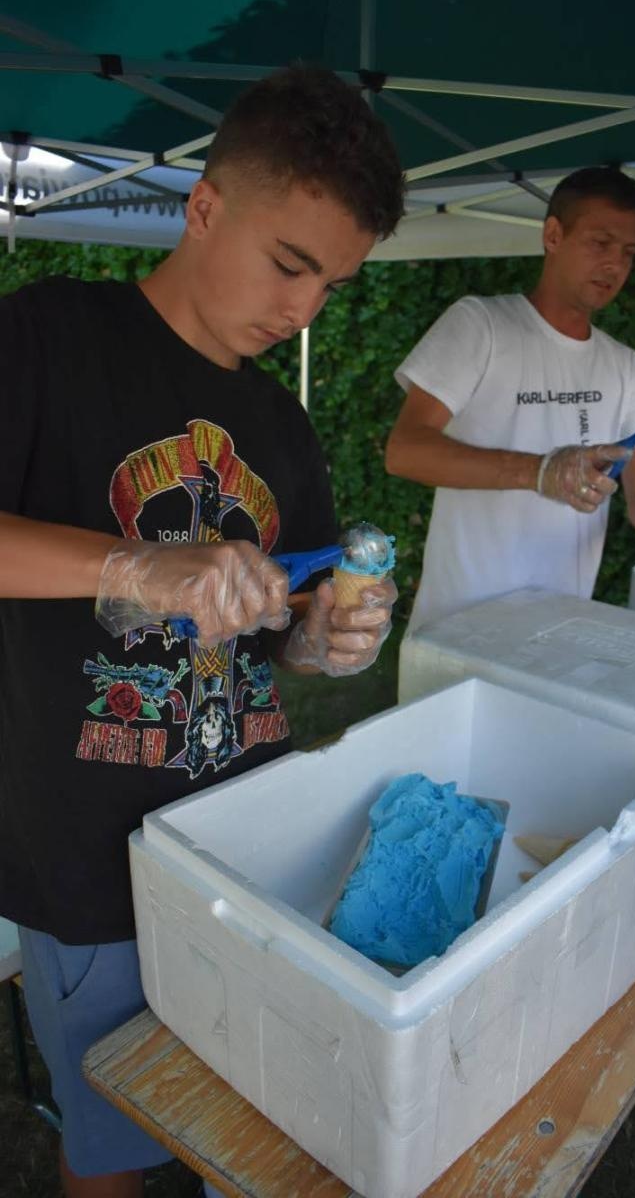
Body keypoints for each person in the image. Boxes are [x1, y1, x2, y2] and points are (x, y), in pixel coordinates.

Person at [0, 65, 405, 1198]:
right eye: (290, 264)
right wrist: (131, 563)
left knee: (252, 1121)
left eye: (332, 284)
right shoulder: (44, 338)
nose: (303, 311)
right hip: (90, 864)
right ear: (206, 207)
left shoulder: (281, 421)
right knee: (111, 1141)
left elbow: (281, 617)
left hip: (252, 841)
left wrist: (321, 642)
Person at [385, 166, 635, 634]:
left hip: (560, 630)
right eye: (600, 243)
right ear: (553, 235)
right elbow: (405, 450)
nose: (615, 265)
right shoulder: (481, 324)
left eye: (629, 252)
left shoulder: (626, 365)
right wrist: (539, 471)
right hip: (460, 627)